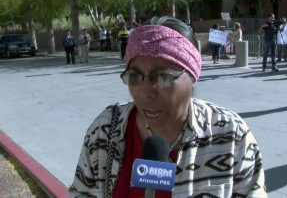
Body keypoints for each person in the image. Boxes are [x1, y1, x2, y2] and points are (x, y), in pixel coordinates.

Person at [69, 16, 267, 197]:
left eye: (163, 77)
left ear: (192, 78)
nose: (146, 92)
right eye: (135, 76)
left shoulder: (231, 136)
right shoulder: (105, 131)